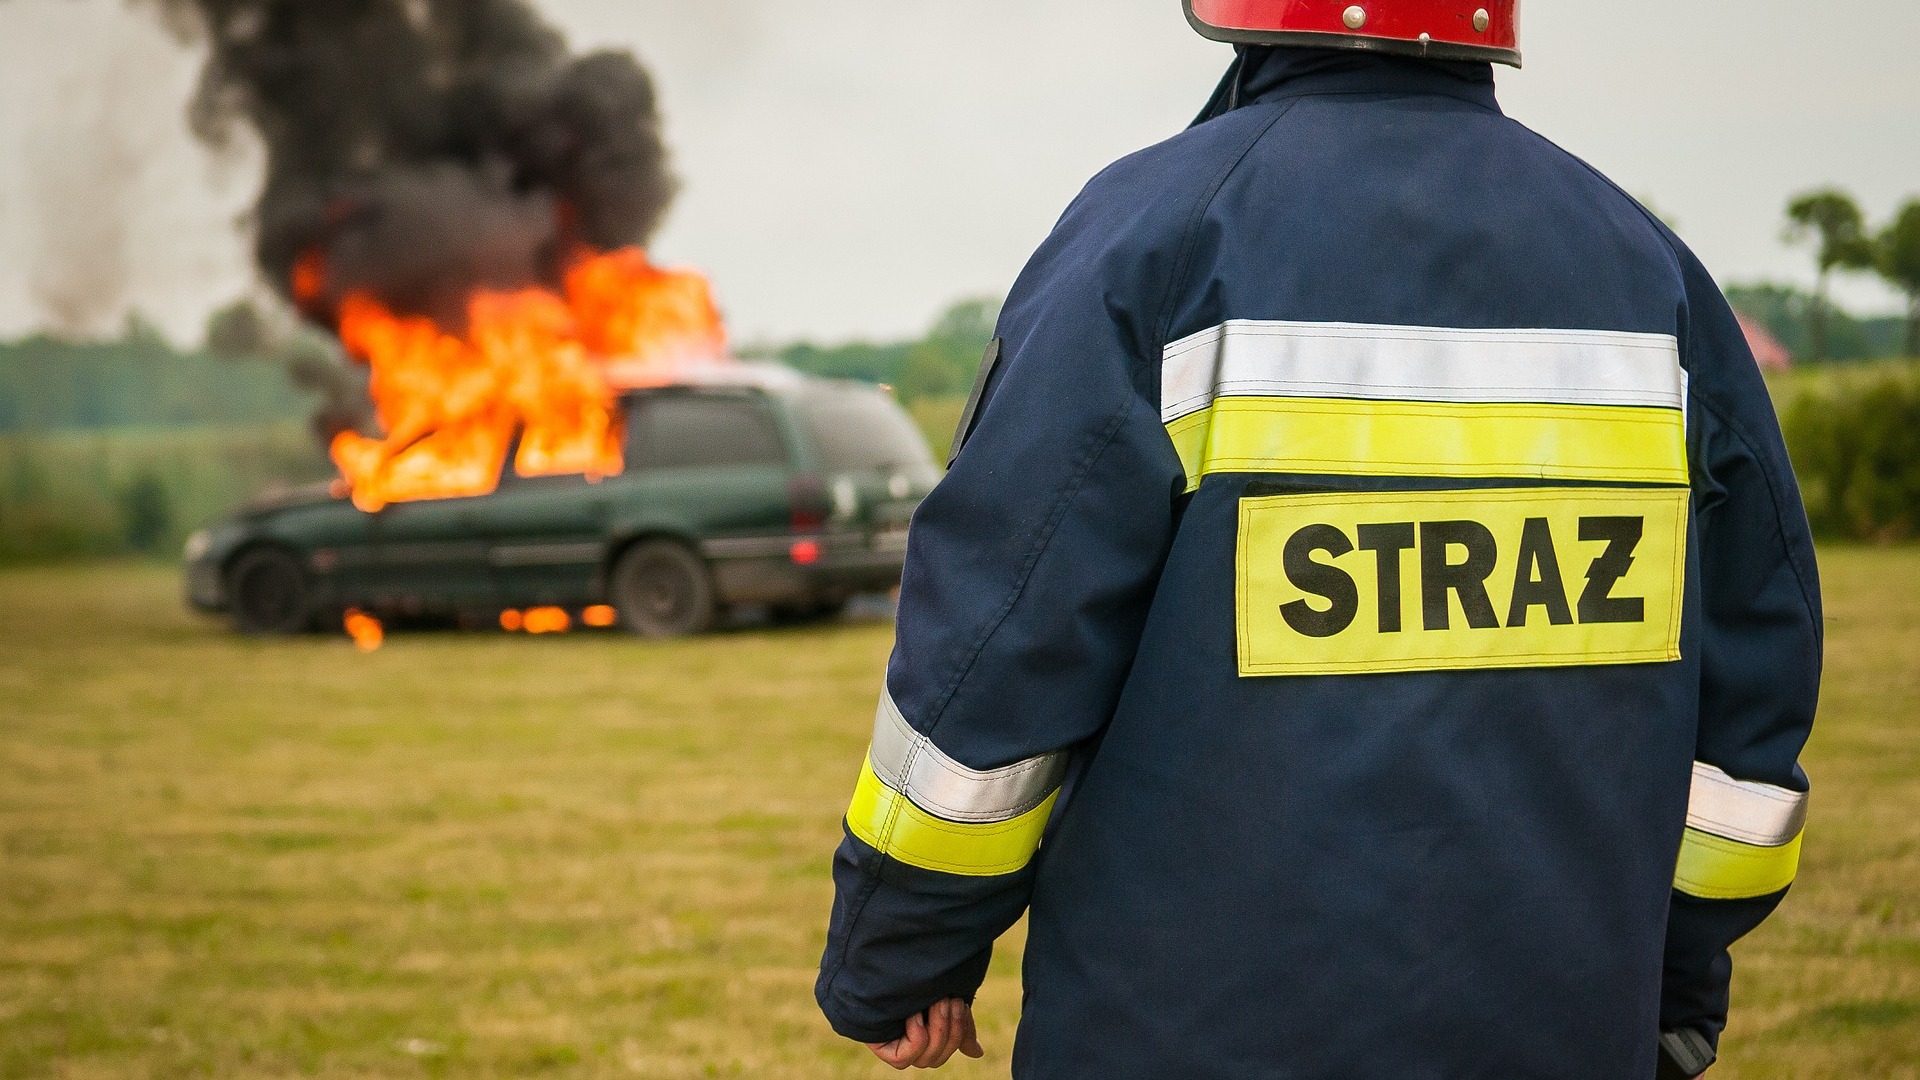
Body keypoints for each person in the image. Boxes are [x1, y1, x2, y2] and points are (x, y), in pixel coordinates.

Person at [815, 3, 1821, 1077]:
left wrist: (905, 951)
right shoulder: (1651, 273)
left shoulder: (1157, 240)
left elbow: (999, 646)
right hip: (1562, 1026)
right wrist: (1668, 989)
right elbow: (1749, 723)